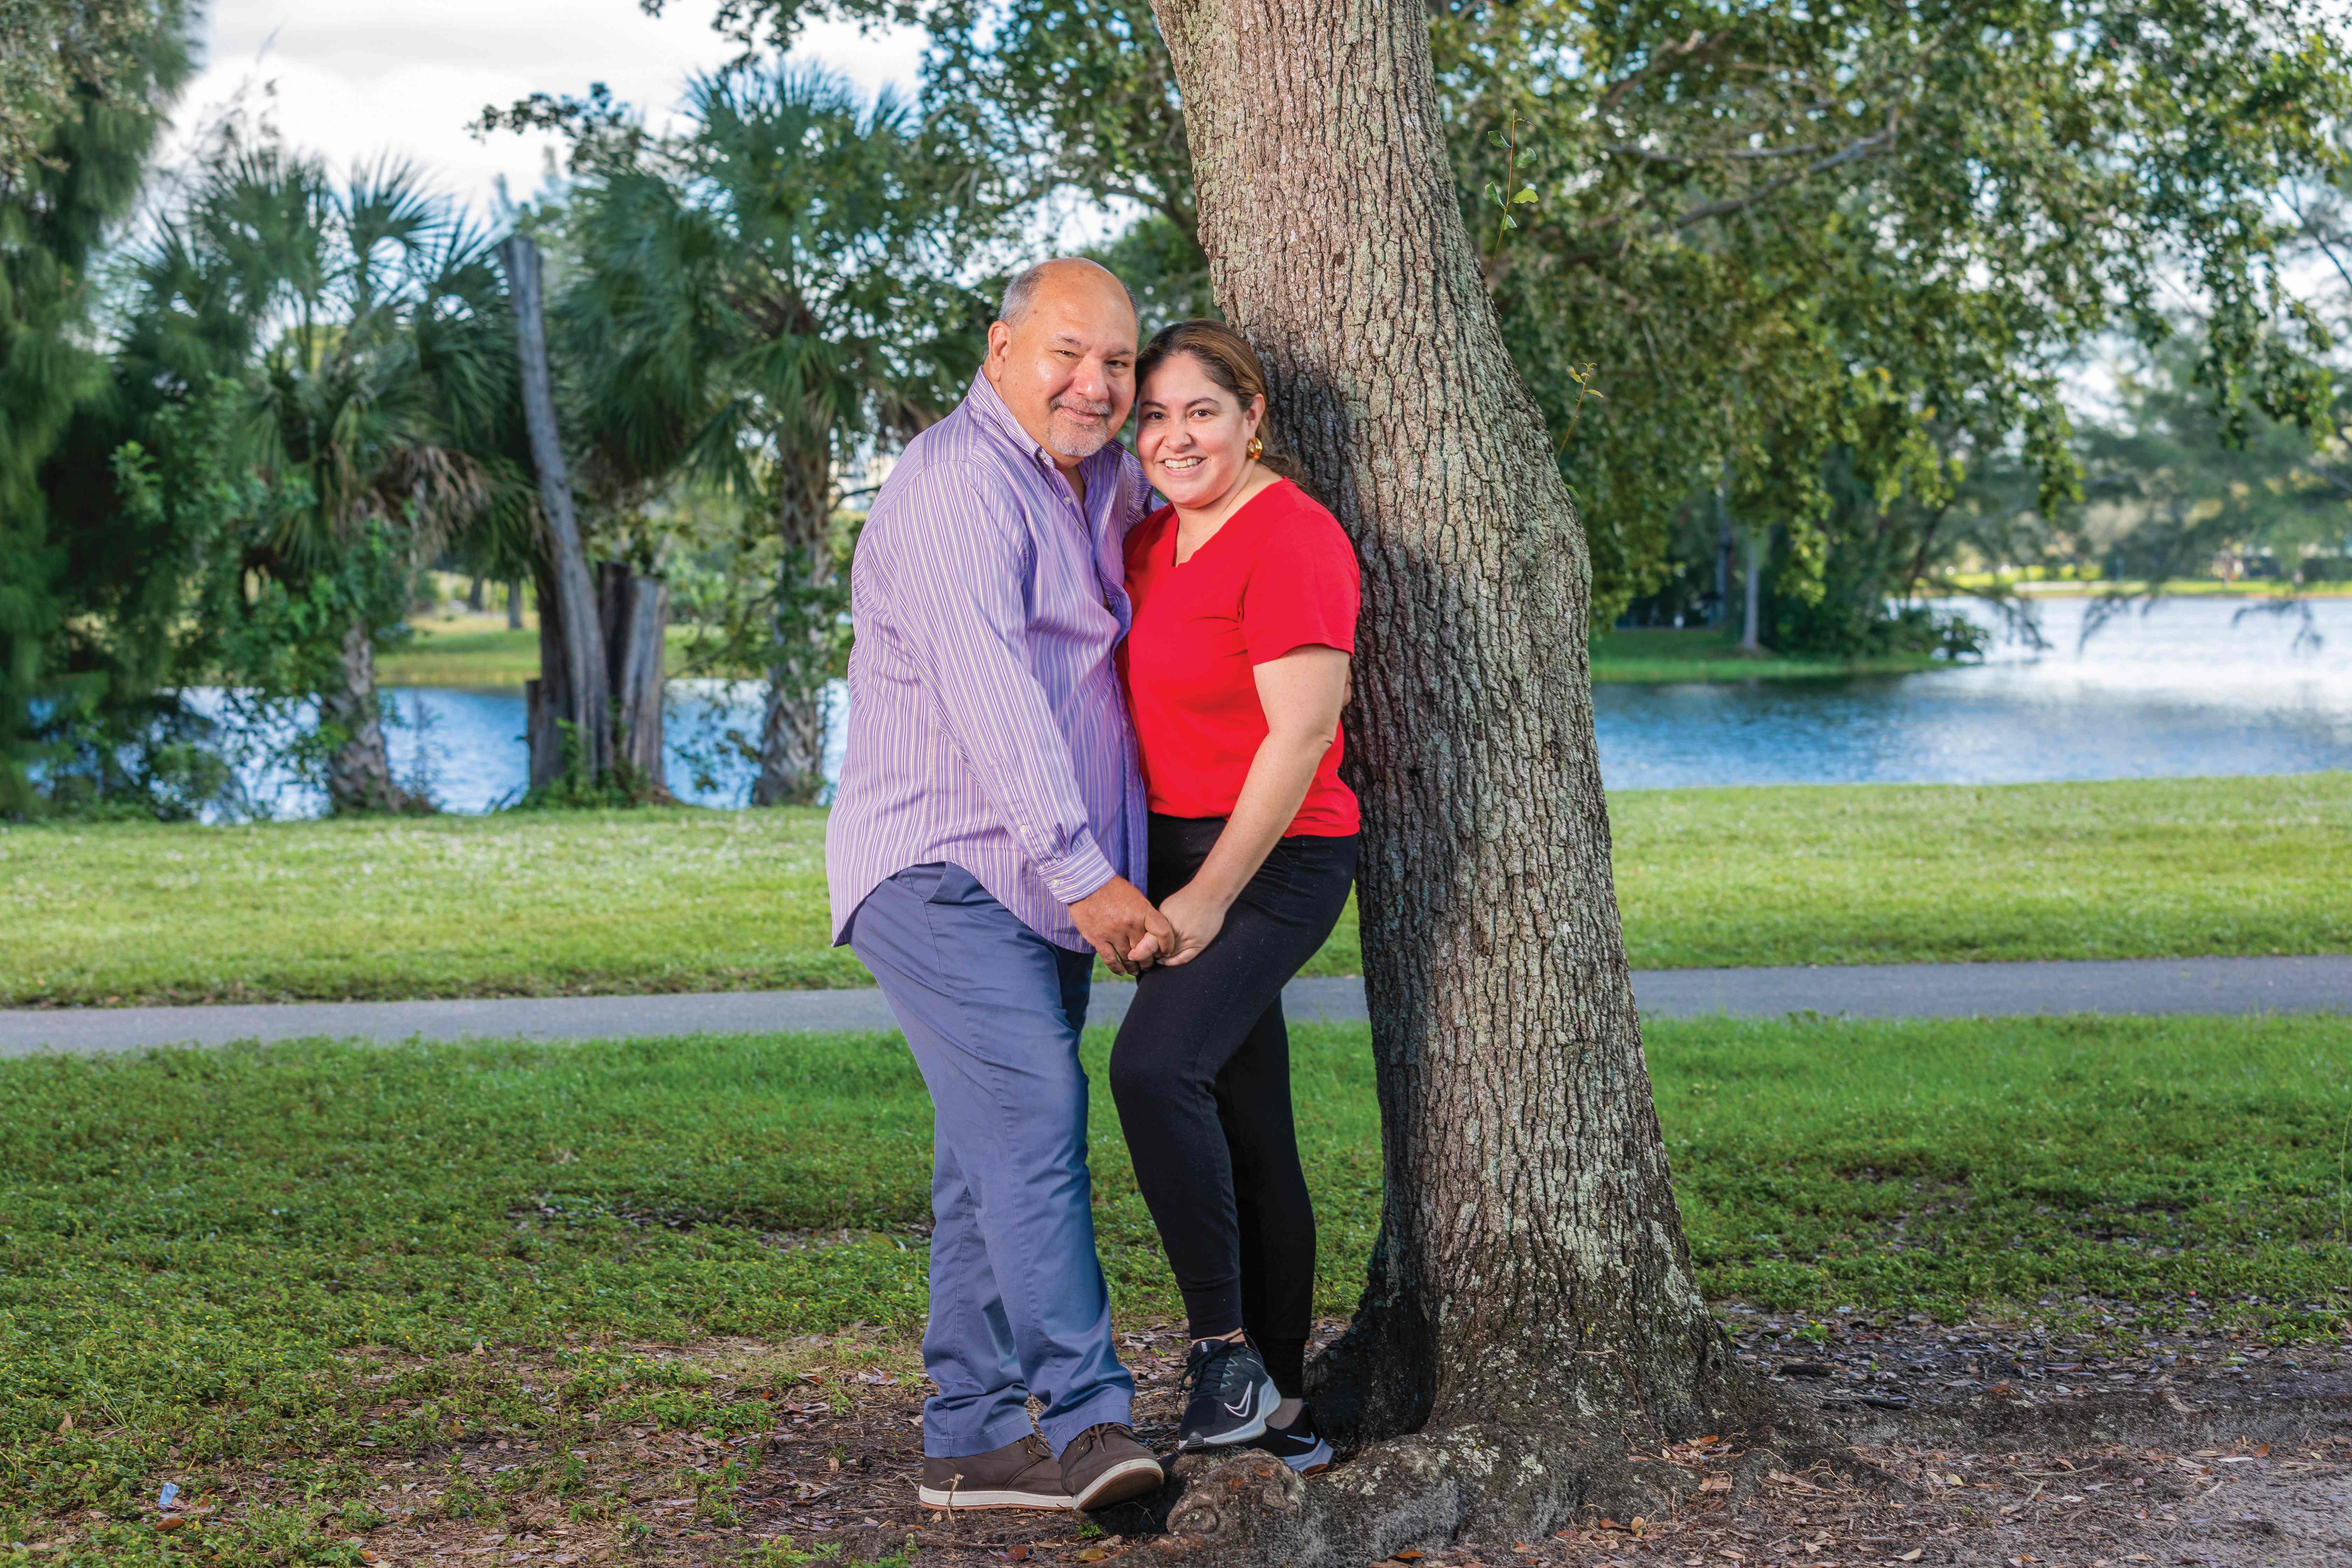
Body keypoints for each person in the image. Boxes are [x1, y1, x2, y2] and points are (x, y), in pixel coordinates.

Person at [827, 257, 1174, 1514]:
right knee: (1033, 1116)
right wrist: (1089, 874)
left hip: (1036, 882)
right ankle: (1091, 1422)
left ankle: (970, 1435)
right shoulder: (958, 486)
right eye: (1067, 354)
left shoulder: (1097, 480)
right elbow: (990, 697)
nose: (1095, 383)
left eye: (1119, 365)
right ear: (1000, 349)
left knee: (988, 1153)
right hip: (946, 866)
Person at [1107, 321, 1361, 1476]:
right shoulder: (1150, 543)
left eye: (1200, 411)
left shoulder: (1293, 537)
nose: (1174, 436)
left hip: (1276, 859)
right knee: (1249, 1121)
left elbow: (1302, 734)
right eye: (1153, 416)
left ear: (1254, 417)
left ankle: (1225, 1357)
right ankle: (1285, 1409)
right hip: (1174, 855)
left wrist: (1208, 895)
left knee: (1154, 1071)